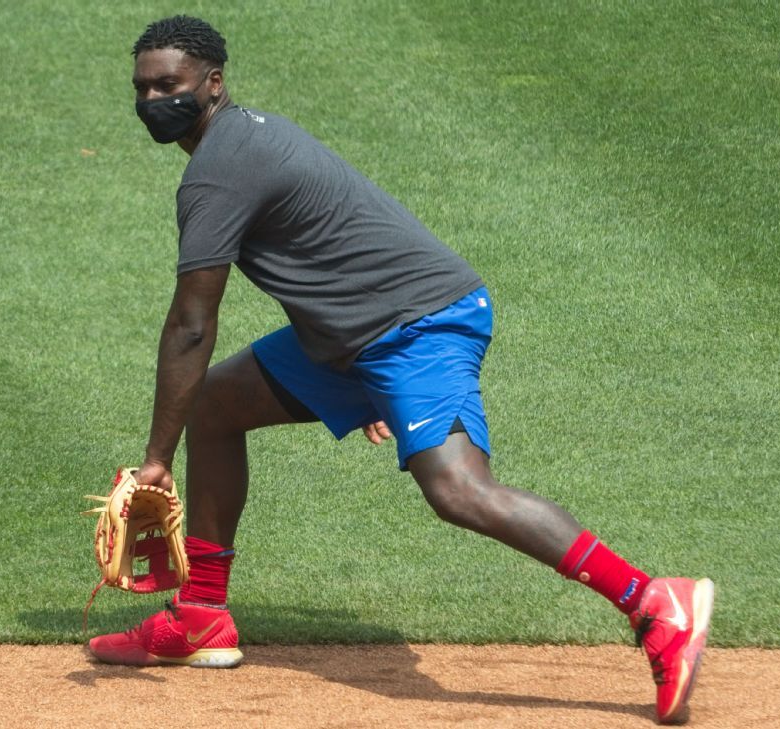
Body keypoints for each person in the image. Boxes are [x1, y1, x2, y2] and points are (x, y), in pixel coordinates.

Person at [87, 15, 714, 725]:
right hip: (356, 334)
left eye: (168, 84)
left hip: (417, 323)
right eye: (141, 88)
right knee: (219, 404)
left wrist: (155, 462)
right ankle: (200, 611)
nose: (151, 100)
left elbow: (192, 325)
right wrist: (360, 381)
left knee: (458, 489)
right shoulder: (243, 140)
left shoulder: (218, 171)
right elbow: (328, 257)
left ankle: (653, 601)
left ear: (213, 83)